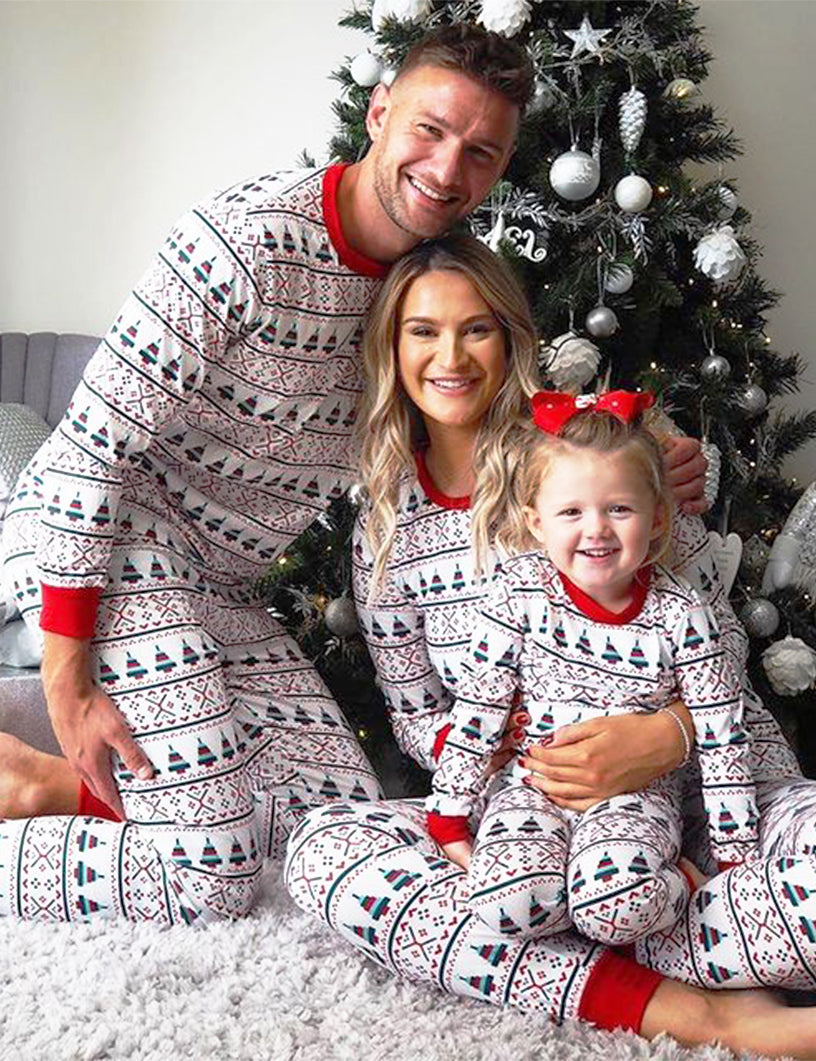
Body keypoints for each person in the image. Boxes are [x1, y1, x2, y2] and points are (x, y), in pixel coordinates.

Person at [0, 24, 536, 925]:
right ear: (379, 113)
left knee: (335, 830)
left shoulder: (422, 286)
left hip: (225, 587)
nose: (448, 169)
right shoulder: (246, 240)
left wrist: (646, 447)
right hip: (112, 542)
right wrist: (69, 679)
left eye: (480, 152)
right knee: (213, 876)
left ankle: (42, 783)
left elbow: (493, 390)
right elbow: (91, 452)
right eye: (430, 129)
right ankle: (47, 793)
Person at [284, 234, 816, 1058]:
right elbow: (417, 717)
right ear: (392, 349)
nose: (450, 356)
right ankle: (699, 1007)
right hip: (525, 814)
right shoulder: (386, 528)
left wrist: (666, 736)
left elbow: (716, 652)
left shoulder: (605, 451)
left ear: (511, 339)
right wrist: (503, 747)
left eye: (476, 328)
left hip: (711, 797)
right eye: (422, 331)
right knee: (323, 855)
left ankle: (617, 932)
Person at [427, 392, 757, 946]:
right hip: (532, 790)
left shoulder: (683, 614)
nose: (597, 529)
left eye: (619, 509)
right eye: (571, 512)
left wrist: (734, 857)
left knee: (617, 907)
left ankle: (669, 884)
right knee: (505, 902)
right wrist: (448, 813)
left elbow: (723, 734)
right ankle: (571, 914)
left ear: (657, 518)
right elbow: (479, 708)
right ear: (536, 522)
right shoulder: (517, 592)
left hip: (636, 799)